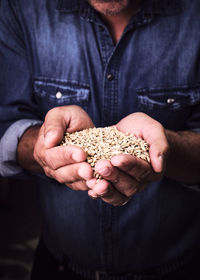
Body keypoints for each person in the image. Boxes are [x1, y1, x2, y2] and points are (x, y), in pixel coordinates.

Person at [0, 0, 200, 279]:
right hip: (59, 265)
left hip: (180, 266)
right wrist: (44, 144)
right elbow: (5, 122)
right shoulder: (20, 8)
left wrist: (168, 148)